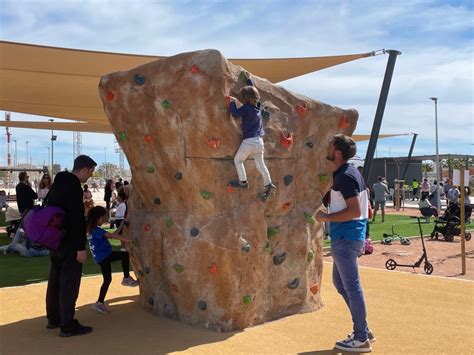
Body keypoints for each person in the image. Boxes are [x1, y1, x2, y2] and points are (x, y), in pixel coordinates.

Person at [315, 134, 374, 353]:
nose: (327, 149)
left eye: (330, 146)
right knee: (341, 285)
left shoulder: (345, 177)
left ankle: (361, 337)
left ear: (337, 152)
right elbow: (365, 209)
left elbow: (355, 211)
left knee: (352, 287)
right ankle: (364, 330)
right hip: (350, 237)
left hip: (346, 238)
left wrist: (325, 217)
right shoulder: (352, 173)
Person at [45, 155, 97, 337]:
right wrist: (80, 247)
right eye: (90, 172)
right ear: (84, 169)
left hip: (55, 240)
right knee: (69, 284)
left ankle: (53, 319)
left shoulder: (58, 183)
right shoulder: (73, 187)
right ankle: (67, 325)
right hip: (69, 243)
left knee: (55, 281)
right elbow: (76, 219)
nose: (89, 177)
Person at [227, 71, 276, 199]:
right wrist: (249, 81)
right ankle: (269, 183)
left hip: (249, 142)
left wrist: (231, 102)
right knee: (261, 164)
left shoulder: (246, 108)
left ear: (244, 99)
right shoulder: (257, 106)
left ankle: (242, 181)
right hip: (259, 142)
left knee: (238, 160)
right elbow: (254, 93)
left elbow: (236, 113)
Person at [87, 206, 138, 314]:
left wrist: (122, 225)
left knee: (107, 280)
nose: (105, 220)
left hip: (102, 257)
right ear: (98, 218)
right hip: (104, 257)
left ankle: (99, 303)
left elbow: (112, 234)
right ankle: (126, 278)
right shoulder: (96, 230)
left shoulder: (94, 230)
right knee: (124, 255)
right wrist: (129, 240)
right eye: (103, 218)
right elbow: (112, 236)